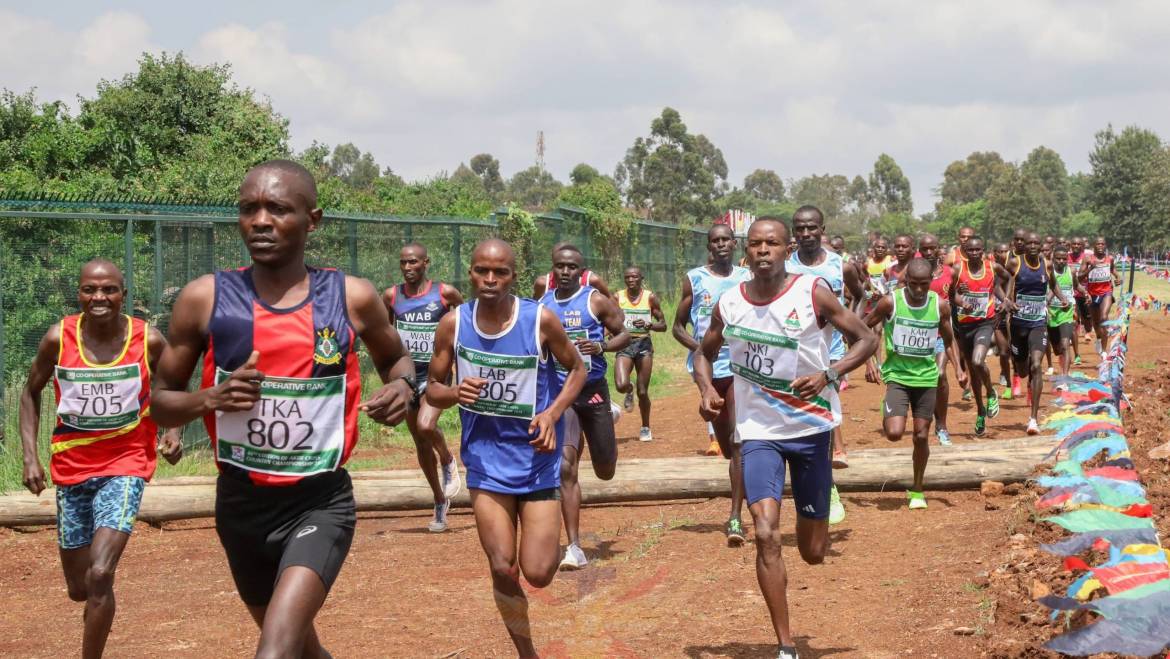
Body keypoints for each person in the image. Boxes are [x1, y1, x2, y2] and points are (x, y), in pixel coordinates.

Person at [151, 160, 418, 658]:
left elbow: (398, 361)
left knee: (273, 651)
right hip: (240, 506)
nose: (260, 221)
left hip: (319, 503)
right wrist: (209, 398)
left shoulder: (350, 297)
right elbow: (160, 405)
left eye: (278, 208)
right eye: (249, 209)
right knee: (301, 649)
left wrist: (405, 388)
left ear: (312, 219)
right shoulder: (203, 299)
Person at [694, 218, 877, 659]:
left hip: (812, 429)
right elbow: (704, 351)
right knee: (766, 533)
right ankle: (786, 645)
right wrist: (705, 390)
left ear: (786, 247)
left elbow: (866, 338)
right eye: (755, 244)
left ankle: (816, 509)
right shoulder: (729, 302)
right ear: (745, 250)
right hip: (758, 432)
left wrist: (830, 373)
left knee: (813, 551)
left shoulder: (812, 292)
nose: (762, 251)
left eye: (771, 244)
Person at [427, 239, 586, 657]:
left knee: (538, 572)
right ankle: (526, 652)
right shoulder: (454, 323)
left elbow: (578, 368)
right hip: (486, 458)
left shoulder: (540, 320)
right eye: (482, 271)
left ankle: (545, 545)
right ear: (472, 273)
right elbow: (432, 388)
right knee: (502, 566)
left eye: (500, 272)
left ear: (514, 276)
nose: (490, 280)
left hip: (536, 456)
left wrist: (552, 414)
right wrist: (456, 392)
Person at [19, 260, 181, 659]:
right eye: (90, 290)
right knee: (80, 587)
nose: (99, 297)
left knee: (101, 572)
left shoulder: (149, 340)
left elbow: (173, 383)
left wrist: (172, 432)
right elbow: (30, 392)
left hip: (127, 463)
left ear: (123, 294)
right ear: (79, 294)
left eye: (109, 289)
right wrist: (29, 457)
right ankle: (94, 607)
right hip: (71, 469)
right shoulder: (59, 338)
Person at [539, 244, 630, 570]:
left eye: (571, 267)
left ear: (581, 271)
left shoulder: (594, 301)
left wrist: (602, 345)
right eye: (559, 267)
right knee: (566, 466)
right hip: (562, 395)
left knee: (605, 470)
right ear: (552, 270)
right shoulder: (543, 306)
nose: (564, 272)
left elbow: (625, 335)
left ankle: (610, 414)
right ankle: (574, 547)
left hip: (592, 390)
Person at [673, 223, 752, 546]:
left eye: (725, 240)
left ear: (734, 244)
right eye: (714, 241)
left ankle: (735, 516)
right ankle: (710, 406)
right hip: (706, 368)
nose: (720, 245)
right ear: (709, 246)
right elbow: (678, 327)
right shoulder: (695, 279)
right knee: (723, 437)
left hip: (738, 366)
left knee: (737, 442)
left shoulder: (746, 279)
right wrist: (700, 349)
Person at [786, 206, 866, 524]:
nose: (805, 234)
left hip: (829, 353)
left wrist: (850, 328)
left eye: (811, 228)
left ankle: (828, 485)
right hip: (791, 353)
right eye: (800, 229)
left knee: (823, 413)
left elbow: (858, 295)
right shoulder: (784, 265)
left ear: (822, 229)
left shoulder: (839, 265)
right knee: (800, 417)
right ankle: (810, 476)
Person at [864, 259, 966, 508]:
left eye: (924, 284)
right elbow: (863, 329)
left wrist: (959, 369)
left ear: (931, 282)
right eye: (913, 284)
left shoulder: (940, 306)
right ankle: (889, 408)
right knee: (894, 434)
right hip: (897, 376)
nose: (918, 290)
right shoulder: (891, 302)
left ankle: (917, 488)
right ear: (905, 281)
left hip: (926, 378)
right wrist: (869, 361)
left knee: (921, 436)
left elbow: (949, 338)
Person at [383, 243, 465, 532]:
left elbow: (465, 326)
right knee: (419, 441)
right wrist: (391, 379)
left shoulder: (446, 294)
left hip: (436, 374)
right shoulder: (391, 296)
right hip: (407, 376)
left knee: (427, 426)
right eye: (403, 262)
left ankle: (447, 458)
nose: (407, 268)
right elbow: (385, 336)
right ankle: (439, 501)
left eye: (413, 262)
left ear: (426, 263)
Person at [1006, 233, 1068, 434]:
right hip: (1018, 325)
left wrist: (1062, 297)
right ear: (1024, 245)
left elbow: (1052, 283)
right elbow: (1003, 283)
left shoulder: (1047, 264)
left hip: (1038, 324)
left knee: (1036, 365)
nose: (1032, 246)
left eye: (1036, 243)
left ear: (1041, 246)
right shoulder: (1015, 263)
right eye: (1029, 243)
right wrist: (1007, 300)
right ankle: (1021, 377)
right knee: (1023, 370)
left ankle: (1033, 419)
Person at [951, 237, 1012, 437]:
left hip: (985, 323)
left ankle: (991, 392)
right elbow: (951, 295)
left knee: (978, 361)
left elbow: (1009, 277)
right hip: (964, 325)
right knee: (973, 372)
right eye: (971, 250)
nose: (975, 253)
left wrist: (1006, 300)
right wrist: (960, 300)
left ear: (983, 250)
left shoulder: (992, 267)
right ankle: (980, 411)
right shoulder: (958, 270)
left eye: (978, 249)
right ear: (965, 251)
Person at [614, 265, 666, 442]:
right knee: (621, 384)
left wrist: (648, 325)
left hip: (643, 345)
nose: (630, 280)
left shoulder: (649, 297)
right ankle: (629, 390)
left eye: (634, 277)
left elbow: (663, 325)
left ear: (641, 278)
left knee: (643, 392)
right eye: (627, 277)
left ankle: (645, 427)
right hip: (624, 344)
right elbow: (609, 320)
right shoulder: (617, 297)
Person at [917, 234, 957, 446]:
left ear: (939, 249)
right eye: (925, 249)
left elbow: (955, 296)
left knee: (940, 375)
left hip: (942, 334)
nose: (929, 252)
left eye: (933, 248)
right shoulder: (914, 272)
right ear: (920, 250)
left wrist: (962, 301)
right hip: (919, 335)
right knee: (925, 381)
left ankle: (941, 425)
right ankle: (924, 419)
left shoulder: (950, 272)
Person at [1079, 237, 1121, 359]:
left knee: (1104, 318)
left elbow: (1112, 269)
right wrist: (1089, 269)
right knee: (1096, 323)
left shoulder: (1110, 258)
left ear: (1105, 245)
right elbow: (1080, 278)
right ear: (1094, 246)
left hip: (1106, 292)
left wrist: (1118, 277)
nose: (1100, 246)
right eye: (1098, 244)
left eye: (1103, 244)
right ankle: (1098, 338)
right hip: (1092, 294)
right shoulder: (1088, 259)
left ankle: (1104, 351)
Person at [1047, 245, 1080, 389]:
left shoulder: (1071, 271)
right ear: (1053, 259)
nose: (1061, 261)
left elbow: (1077, 286)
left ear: (1067, 259)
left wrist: (1086, 293)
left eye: (1064, 259)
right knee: (1057, 348)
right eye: (1058, 258)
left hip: (1067, 312)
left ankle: (1064, 379)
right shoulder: (1048, 272)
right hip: (1051, 313)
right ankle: (1061, 362)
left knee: (1066, 344)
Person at [532, 245, 612, 299]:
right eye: (560, 265)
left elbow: (614, 310)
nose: (565, 272)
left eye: (572, 266)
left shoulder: (591, 281)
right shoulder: (543, 284)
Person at [991, 242, 1015, 397]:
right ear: (995, 253)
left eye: (1006, 251)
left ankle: (1018, 373)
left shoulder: (1016, 269)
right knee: (1004, 351)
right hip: (997, 314)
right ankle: (1008, 384)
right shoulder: (991, 270)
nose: (1004, 254)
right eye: (1001, 251)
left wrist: (1009, 302)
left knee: (1017, 352)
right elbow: (993, 287)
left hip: (1015, 314)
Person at [1067, 237, 1088, 365]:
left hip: (1080, 292)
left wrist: (1086, 292)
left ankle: (1088, 328)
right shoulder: (1064, 256)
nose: (1075, 245)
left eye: (1078, 244)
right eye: (1073, 243)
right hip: (1067, 295)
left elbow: (1080, 277)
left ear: (1082, 246)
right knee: (1073, 324)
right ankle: (1075, 354)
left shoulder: (1085, 258)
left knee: (1084, 321)